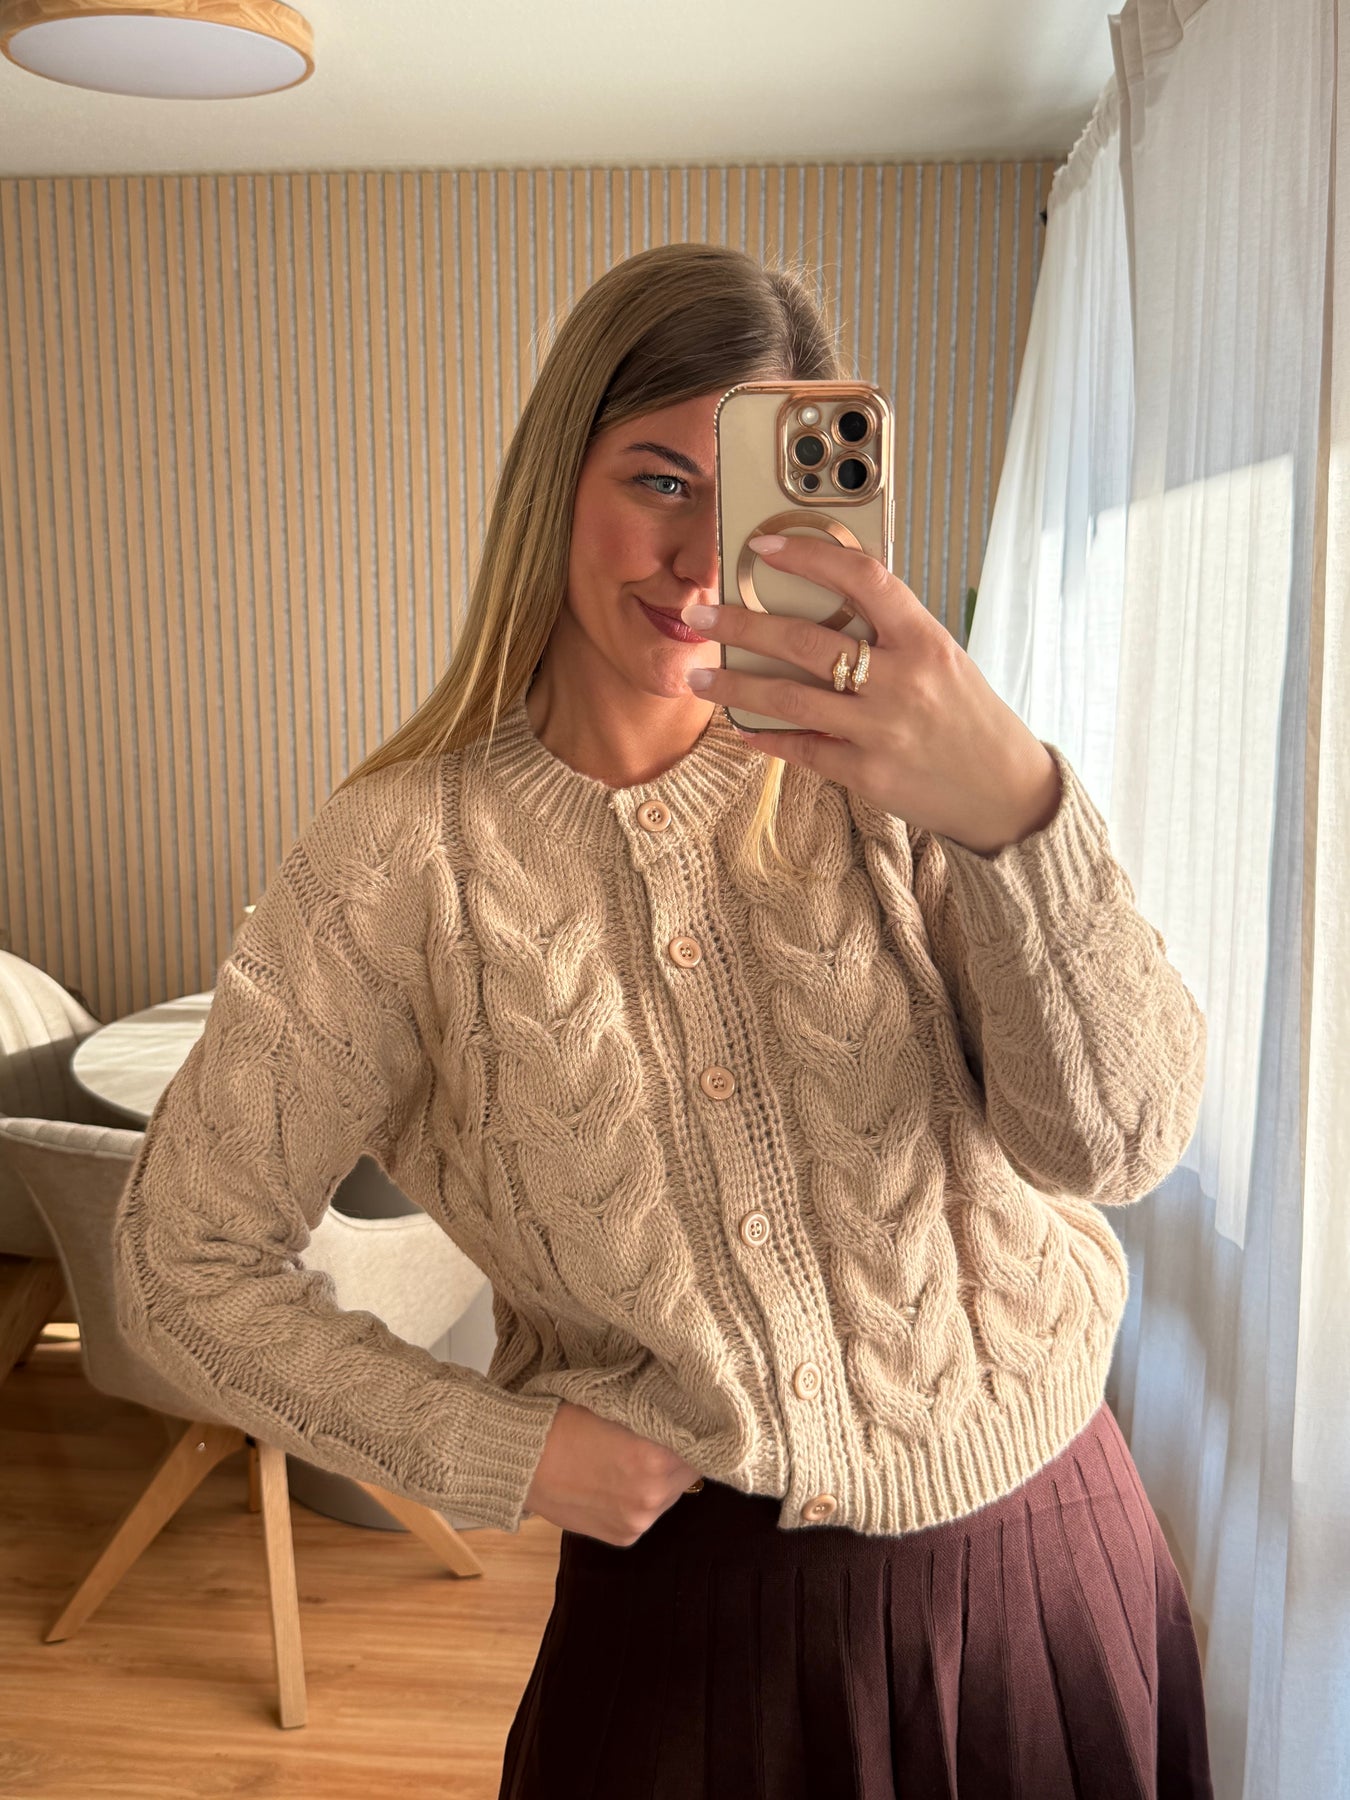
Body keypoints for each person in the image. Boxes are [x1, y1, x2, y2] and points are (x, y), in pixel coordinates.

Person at [112, 242, 1213, 1799]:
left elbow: (1115, 1146)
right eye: (656, 481)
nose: (700, 564)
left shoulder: (904, 777)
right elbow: (181, 1262)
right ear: (557, 479)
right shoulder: (397, 862)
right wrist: (500, 1451)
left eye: (748, 503)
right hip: (692, 1626)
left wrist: (1017, 812)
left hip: (1041, 1564)